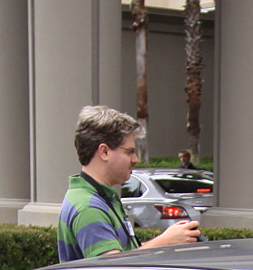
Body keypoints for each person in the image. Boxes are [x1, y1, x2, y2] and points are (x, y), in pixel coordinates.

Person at [56, 105, 202, 261]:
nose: (135, 159)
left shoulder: (98, 197)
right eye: (129, 151)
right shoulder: (88, 206)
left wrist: (168, 241)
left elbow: (122, 254)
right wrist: (164, 242)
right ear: (104, 152)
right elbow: (112, 269)